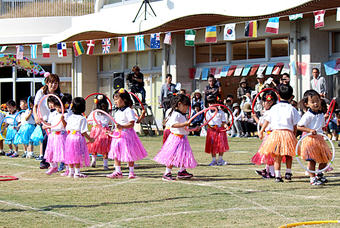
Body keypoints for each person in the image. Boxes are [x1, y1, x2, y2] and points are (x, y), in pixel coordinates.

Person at [258, 84, 300, 182]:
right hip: (288, 133)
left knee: (277, 155)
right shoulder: (292, 109)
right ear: (291, 97)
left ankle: (277, 175)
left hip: (276, 134)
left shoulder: (274, 108)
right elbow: (295, 124)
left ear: (278, 96)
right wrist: (294, 134)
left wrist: (261, 131)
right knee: (289, 154)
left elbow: (267, 121)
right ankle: (288, 172)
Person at [154, 94, 197, 181]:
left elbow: (184, 128)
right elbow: (174, 125)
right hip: (175, 139)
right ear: (179, 104)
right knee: (172, 156)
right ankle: (167, 173)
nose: (186, 108)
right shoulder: (176, 114)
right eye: (185, 106)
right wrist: (185, 124)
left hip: (182, 138)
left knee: (183, 155)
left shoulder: (181, 114)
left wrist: (193, 129)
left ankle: (182, 171)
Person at [107, 88, 148, 179]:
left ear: (124, 100)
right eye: (114, 100)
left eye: (117, 99)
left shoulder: (128, 110)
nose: (115, 101)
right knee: (116, 153)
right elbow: (116, 124)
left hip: (127, 135)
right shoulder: (117, 112)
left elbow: (131, 123)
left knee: (129, 153)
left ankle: (131, 172)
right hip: (117, 135)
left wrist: (122, 126)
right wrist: (111, 131)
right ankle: (118, 171)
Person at [297, 90, 332, 185]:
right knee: (312, 160)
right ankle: (312, 178)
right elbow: (299, 126)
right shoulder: (308, 115)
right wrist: (310, 130)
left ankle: (319, 174)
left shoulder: (321, 114)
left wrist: (324, 125)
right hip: (310, 140)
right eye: (312, 102)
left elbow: (322, 126)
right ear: (307, 104)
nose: (316, 103)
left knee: (325, 159)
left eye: (317, 101)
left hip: (320, 139)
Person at [33, 73, 63, 169]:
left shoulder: (59, 95)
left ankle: (58, 161)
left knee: (56, 140)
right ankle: (46, 160)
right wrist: (36, 117)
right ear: (47, 82)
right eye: (52, 82)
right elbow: (35, 106)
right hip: (44, 120)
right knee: (47, 138)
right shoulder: (41, 92)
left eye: (56, 83)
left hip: (55, 121)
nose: (54, 85)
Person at [63, 97, 93, 178]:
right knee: (77, 154)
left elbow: (67, 128)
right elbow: (83, 131)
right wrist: (90, 139)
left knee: (70, 154)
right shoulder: (82, 118)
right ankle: (77, 172)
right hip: (77, 138)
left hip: (70, 137)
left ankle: (71, 171)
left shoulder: (70, 117)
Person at [251, 90, 278, 178]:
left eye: (264, 102)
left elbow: (263, 124)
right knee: (268, 154)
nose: (263, 104)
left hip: (271, 135)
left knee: (269, 154)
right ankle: (268, 170)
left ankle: (271, 172)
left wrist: (255, 118)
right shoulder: (271, 111)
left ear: (271, 102)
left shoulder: (270, 112)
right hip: (269, 134)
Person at [43, 96, 68, 175]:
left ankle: (68, 169)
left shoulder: (67, 114)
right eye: (57, 107)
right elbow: (50, 124)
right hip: (52, 135)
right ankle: (53, 166)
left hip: (61, 135)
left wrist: (63, 119)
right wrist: (44, 124)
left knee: (63, 153)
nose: (58, 109)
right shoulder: (53, 113)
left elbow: (66, 126)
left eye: (59, 107)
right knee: (50, 152)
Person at [87, 95, 112, 170]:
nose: (103, 106)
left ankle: (105, 164)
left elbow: (111, 122)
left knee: (105, 148)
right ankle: (94, 161)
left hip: (104, 131)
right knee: (94, 146)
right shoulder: (94, 112)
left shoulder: (108, 113)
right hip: (96, 130)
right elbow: (89, 121)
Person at [205, 95, 229, 166]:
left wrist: (226, 126)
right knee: (212, 145)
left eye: (213, 103)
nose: (211, 105)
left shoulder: (221, 112)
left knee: (221, 145)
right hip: (211, 130)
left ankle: (220, 159)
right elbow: (206, 122)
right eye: (210, 103)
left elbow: (223, 122)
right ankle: (213, 160)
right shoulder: (207, 112)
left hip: (220, 130)